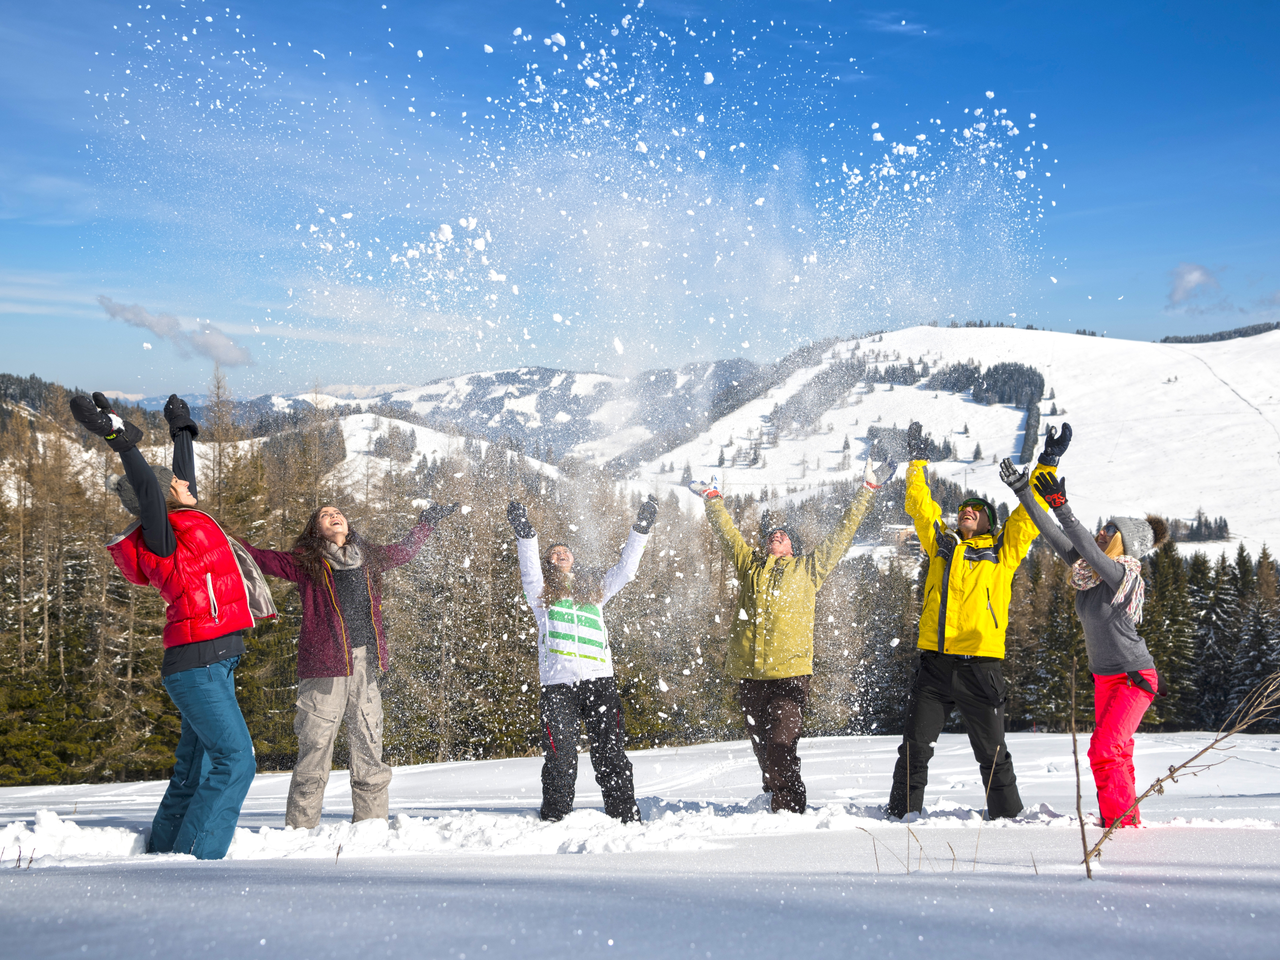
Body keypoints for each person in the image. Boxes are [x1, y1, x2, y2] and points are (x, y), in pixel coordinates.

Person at [72, 391, 277, 860]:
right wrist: (120, 440)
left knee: (197, 765)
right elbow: (148, 489)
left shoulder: (186, 525)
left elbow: (180, 478)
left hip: (213, 663)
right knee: (236, 763)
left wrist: (181, 429)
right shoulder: (162, 538)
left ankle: (164, 856)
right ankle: (197, 863)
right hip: (197, 665)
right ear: (164, 499)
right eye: (176, 486)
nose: (188, 485)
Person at [689, 458, 895, 814]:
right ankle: (774, 801)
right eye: (772, 533)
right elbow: (728, 535)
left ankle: (789, 810)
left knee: (782, 745)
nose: (776, 534)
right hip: (751, 675)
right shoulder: (750, 567)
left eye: (783, 535)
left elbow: (842, 535)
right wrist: (712, 499)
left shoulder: (807, 570)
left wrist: (868, 491)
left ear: (793, 548)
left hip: (791, 674)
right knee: (764, 751)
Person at [887, 421, 1069, 821]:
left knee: (992, 754)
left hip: (981, 668)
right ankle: (900, 819)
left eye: (977, 509)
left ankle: (1007, 820)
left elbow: (1030, 513)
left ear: (989, 522)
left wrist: (1047, 463)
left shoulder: (1003, 549)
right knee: (914, 749)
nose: (967, 510)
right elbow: (920, 505)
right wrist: (917, 462)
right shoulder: (941, 544)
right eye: (963, 509)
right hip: (934, 664)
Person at [240, 499, 458, 829]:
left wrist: (426, 522)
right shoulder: (306, 562)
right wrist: (216, 534)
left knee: (369, 745)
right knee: (315, 749)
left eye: (338, 513)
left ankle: (371, 827)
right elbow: (260, 558)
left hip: (365, 663)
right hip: (324, 668)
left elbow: (404, 551)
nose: (335, 516)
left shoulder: (368, 557)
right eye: (326, 515)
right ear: (316, 530)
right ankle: (300, 830)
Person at [1000, 444, 1168, 827]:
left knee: (1104, 750)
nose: (1102, 531)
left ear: (1126, 542)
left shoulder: (1121, 576)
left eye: (1110, 529)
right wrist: (1023, 492)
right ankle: (1127, 821)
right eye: (1104, 526)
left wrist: (1064, 505)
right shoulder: (1089, 574)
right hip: (1105, 678)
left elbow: (1089, 550)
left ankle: (1119, 825)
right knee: (1117, 752)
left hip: (1133, 677)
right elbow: (1052, 534)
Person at [506, 495, 658, 823]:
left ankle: (625, 818)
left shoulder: (595, 589)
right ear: (548, 563)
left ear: (574, 559)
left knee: (610, 754)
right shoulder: (540, 593)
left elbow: (627, 570)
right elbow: (528, 567)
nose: (559, 555)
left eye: (565, 552)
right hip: (558, 687)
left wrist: (641, 531)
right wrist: (526, 534)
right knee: (561, 758)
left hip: (599, 682)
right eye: (553, 553)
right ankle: (555, 818)